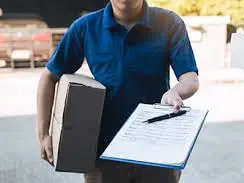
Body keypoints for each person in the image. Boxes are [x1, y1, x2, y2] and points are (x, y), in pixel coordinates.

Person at [36, 0, 199, 182]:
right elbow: (49, 77)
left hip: (156, 149)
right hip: (102, 151)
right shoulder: (86, 27)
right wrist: (44, 135)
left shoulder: (169, 22)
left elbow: (190, 78)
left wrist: (175, 92)